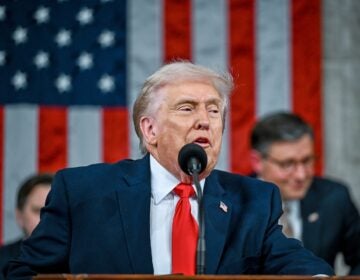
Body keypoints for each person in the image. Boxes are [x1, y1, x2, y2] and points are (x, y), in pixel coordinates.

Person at [6, 62, 334, 279]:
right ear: (149, 130)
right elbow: (24, 272)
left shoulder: (254, 200)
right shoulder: (83, 192)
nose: (205, 119)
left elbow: (295, 264)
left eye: (214, 110)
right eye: (187, 108)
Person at [250, 111, 360, 275]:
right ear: (257, 161)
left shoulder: (334, 198)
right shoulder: (234, 201)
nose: (301, 175)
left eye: (307, 160)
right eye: (288, 164)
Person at [0, 173, 53, 280]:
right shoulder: (1, 260)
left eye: (53, 211)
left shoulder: (81, 261)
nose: (46, 218)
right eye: (38, 210)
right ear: (19, 216)